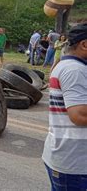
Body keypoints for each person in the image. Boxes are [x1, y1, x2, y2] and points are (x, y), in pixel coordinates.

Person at [42, 23, 87, 190]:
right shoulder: (75, 70)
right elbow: (79, 115)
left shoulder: (68, 66)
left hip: (70, 158)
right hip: (74, 162)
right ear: (84, 44)